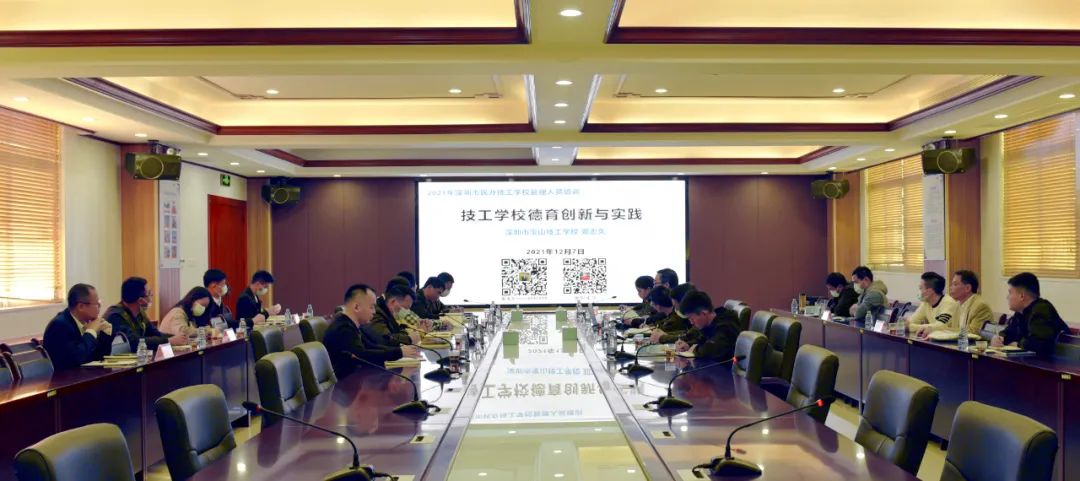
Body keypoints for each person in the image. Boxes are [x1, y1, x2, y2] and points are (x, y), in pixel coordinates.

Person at [324, 284, 420, 377]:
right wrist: (398, 352)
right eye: (371, 307)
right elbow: (362, 356)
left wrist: (400, 351)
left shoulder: (352, 325)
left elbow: (371, 346)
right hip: (345, 384)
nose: (374, 312)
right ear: (356, 307)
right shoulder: (343, 329)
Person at [992, 273, 1069, 357]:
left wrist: (1017, 344)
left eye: (1010, 293)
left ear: (1022, 296)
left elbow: (1039, 344)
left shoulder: (1041, 309)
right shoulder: (1020, 312)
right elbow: (1010, 331)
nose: (1007, 297)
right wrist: (1000, 338)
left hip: (1057, 361)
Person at [42, 284, 114, 370]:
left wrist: (105, 334)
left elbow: (100, 357)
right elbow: (78, 358)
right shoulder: (60, 326)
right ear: (81, 307)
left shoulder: (86, 321)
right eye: (97, 304)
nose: (99, 308)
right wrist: (91, 331)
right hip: (64, 377)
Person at [104, 277, 182, 352]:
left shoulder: (140, 314)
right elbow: (134, 342)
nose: (151, 297)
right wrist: (168, 341)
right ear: (140, 300)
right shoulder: (115, 316)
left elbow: (155, 333)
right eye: (149, 294)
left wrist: (177, 338)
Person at [915, 270, 993, 337]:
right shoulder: (957, 304)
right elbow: (949, 327)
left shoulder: (980, 306)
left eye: (955, 284)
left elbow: (973, 333)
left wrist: (936, 330)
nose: (950, 287)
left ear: (967, 288)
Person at [674, 291, 741, 361]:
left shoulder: (726, 325)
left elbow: (710, 350)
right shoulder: (712, 323)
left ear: (703, 313)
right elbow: (702, 340)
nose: (691, 322)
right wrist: (688, 345)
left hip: (724, 366)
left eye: (692, 318)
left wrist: (693, 349)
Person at [369, 282, 422, 347]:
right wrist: (409, 339)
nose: (406, 312)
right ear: (393, 302)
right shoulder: (376, 313)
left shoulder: (387, 311)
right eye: (404, 308)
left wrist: (408, 333)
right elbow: (384, 339)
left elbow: (397, 332)